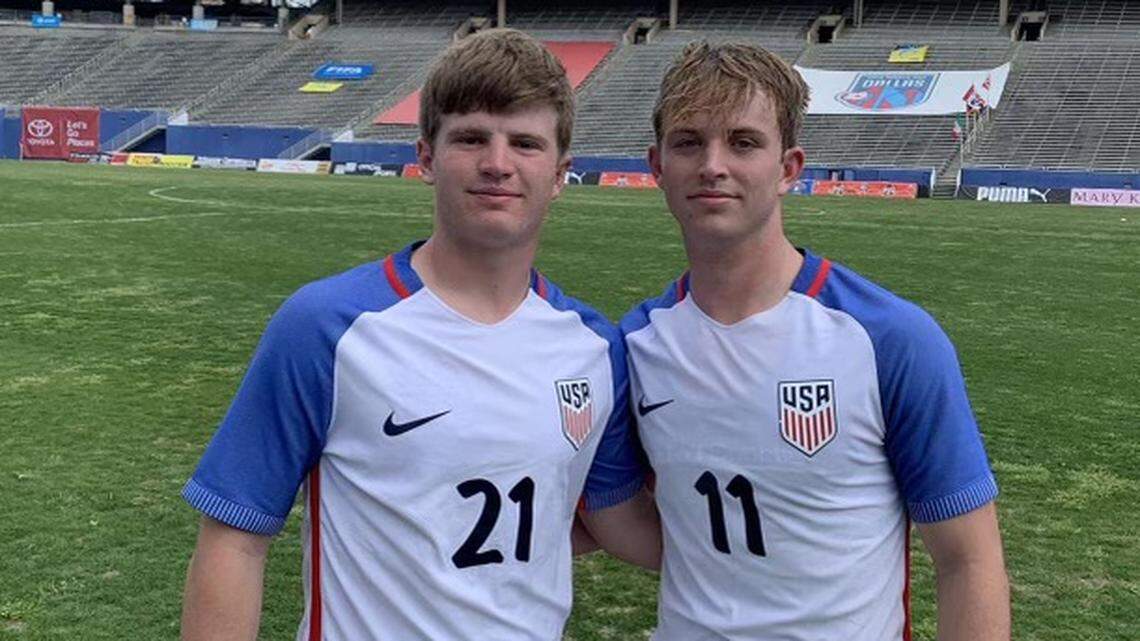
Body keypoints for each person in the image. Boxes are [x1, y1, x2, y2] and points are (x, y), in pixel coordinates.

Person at [180, 29, 659, 641]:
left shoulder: (593, 347)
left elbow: (611, 519)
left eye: (525, 143)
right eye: (470, 138)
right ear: (427, 157)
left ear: (561, 172)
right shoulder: (329, 327)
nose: (497, 163)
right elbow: (235, 538)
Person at [621, 42, 1009, 641]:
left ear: (788, 168)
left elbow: (969, 560)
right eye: (689, 141)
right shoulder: (637, 344)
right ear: (657, 165)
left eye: (743, 142)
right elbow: (602, 508)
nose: (712, 165)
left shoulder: (889, 339)